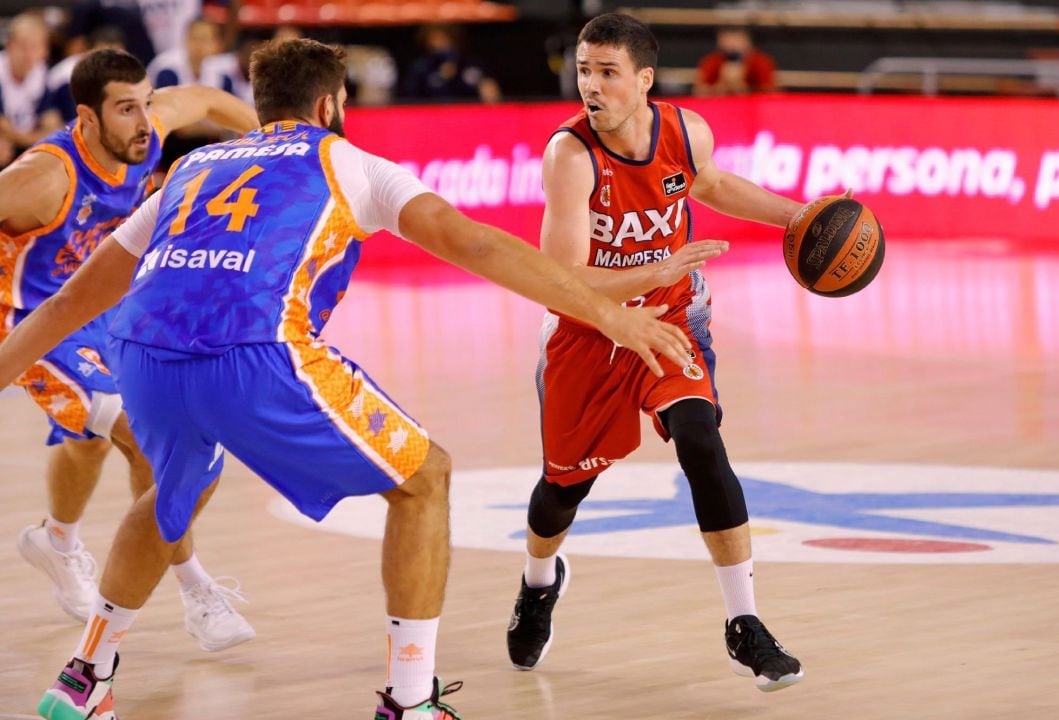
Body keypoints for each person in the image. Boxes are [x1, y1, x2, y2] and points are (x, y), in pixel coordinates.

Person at [0, 38, 694, 720]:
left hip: (144, 357)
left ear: (260, 104)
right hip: (252, 352)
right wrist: (610, 316)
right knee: (426, 480)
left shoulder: (192, 166)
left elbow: (65, 306)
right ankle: (410, 700)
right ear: (331, 103)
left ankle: (86, 679)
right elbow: (476, 243)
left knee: (170, 493)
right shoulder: (349, 161)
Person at [505, 13, 807, 693]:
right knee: (561, 493)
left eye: (607, 72)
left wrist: (799, 215)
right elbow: (562, 279)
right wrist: (656, 269)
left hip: (672, 318)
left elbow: (711, 184)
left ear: (643, 79)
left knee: (701, 440)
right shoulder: (570, 155)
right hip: (589, 328)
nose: (591, 85)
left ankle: (745, 623)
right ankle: (538, 579)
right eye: (584, 70)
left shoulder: (685, 130)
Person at [0, 47, 260, 651]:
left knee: (88, 437)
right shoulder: (43, 176)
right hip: (32, 320)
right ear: (86, 119)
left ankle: (57, 542)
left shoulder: (147, 126)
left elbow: (210, 100)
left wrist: (288, 139)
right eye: (125, 109)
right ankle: (196, 591)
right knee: (139, 431)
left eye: (145, 102)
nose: (144, 121)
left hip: (105, 310)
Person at [402, 24, 500, 104]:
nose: (441, 45)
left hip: (468, 115)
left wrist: (487, 87)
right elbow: (410, 98)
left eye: (446, 40)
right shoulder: (421, 68)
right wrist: (442, 78)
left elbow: (487, 89)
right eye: (436, 40)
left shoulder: (469, 64)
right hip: (431, 117)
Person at [0, 12, 50, 164]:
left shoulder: (43, 75)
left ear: (45, 51)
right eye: (22, 46)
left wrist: (19, 138)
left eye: (35, 47)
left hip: (22, 146)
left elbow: (52, 126)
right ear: (9, 45)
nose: (28, 54)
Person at [694, 26, 776, 96]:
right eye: (728, 40)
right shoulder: (711, 61)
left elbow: (770, 92)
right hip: (719, 106)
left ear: (748, 42)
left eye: (737, 40)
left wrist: (744, 89)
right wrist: (720, 87)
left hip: (753, 108)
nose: (733, 45)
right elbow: (699, 92)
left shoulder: (760, 61)